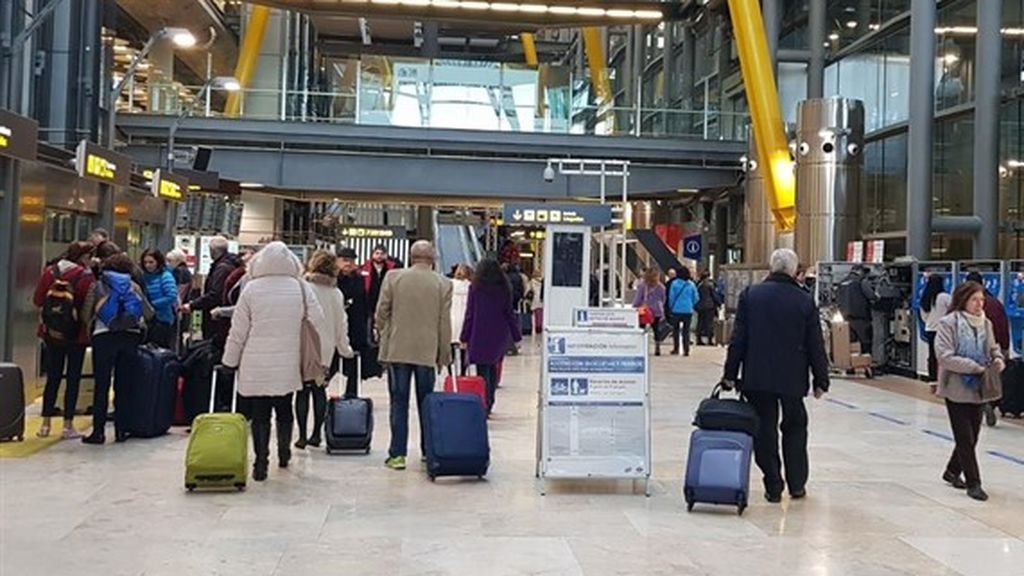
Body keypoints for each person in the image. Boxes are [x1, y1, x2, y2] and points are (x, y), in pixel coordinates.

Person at [722, 248, 830, 503]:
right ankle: (797, 484)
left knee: (764, 429)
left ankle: (773, 483)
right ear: (794, 271)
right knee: (795, 426)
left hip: (757, 376)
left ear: (771, 268)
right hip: (792, 377)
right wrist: (821, 379)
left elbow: (738, 339)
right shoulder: (804, 300)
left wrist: (729, 373)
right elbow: (816, 343)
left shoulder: (752, 295)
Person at [222, 242, 327, 481]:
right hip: (289, 358)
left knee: (259, 414)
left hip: (255, 361)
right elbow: (317, 319)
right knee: (284, 408)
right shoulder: (301, 287)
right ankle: (284, 453)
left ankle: (260, 462)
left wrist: (230, 361)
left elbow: (238, 331)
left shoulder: (251, 288)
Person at [375, 240, 452, 471]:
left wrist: (383, 330)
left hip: (398, 350)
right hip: (427, 353)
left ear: (411, 257)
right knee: (426, 403)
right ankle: (428, 451)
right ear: (433, 259)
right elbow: (443, 322)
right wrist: (443, 354)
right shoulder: (443, 283)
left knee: (398, 403)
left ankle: (397, 455)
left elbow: (382, 310)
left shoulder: (393, 278)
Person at [934, 281, 1005, 501]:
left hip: (979, 387)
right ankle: (974, 483)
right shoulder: (948, 323)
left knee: (972, 436)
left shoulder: (986, 323)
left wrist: (998, 358)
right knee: (964, 437)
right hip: (956, 387)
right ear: (963, 300)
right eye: (975, 299)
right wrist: (973, 367)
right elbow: (945, 356)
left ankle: (952, 470)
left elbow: (992, 347)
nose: (979, 304)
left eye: (982, 299)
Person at [81, 253, 153, 445]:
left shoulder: (97, 286)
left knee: (101, 385)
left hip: (103, 337)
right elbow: (148, 312)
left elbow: (85, 313)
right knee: (124, 385)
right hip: (130, 337)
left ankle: (98, 432)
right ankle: (121, 430)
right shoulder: (133, 286)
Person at [32, 241, 95, 439]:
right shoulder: (85, 276)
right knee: (73, 378)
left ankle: (45, 424)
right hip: (77, 335)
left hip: (51, 334)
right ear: (84, 257)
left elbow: (38, 300)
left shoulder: (50, 272)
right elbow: (88, 307)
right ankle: (68, 425)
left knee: (53, 377)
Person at [295, 251, 355, 449]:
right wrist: (345, 349)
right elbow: (341, 324)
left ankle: (301, 436)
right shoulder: (336, 294)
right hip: (325, 348)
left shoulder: (303, 288)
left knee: (302, 391)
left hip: (304, 346)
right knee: (320, 390)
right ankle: (316, 435)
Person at [460, 258, 521, 415]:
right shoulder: (504, 287)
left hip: (479, 331)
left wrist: (464, 335)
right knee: (493, 365)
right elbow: (509, 312)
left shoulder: (476, 287)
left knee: (482, 368)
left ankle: (483, 401)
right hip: (498, 332)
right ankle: (490, 399)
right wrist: (516, 334)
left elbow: (470, 313)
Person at [964, 271, 1009, 427]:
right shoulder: (995, 303)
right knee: (994, 379)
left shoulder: (965, 304)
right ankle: (992, 402)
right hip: (994, 346)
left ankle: (980, 404)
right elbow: (1003, 326)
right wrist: (1004, 348)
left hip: (974, 347)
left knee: (974, 378)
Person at [182, 236, 241, 349]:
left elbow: (214, 295)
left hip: (215, 317)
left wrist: (193, 305)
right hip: (223, 317)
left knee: (212, 349)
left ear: (213, 251)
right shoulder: (231, 265)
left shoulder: (221, 269)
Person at [337, 247, 372, 393]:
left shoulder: (358, 279)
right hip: (336, 325)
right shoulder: (333, 279)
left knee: (354, 365)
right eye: (345, 260)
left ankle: (351, 395)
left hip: (355, 326)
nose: (348, 264)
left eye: (351, 261)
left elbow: (363, 301)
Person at [140, 249, 179, 349]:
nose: (148, 265)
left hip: (162, 320)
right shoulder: (143, 276)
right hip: (147, 319)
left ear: (158, 262)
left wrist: (151, 305)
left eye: (151, 262)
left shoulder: (166, 276)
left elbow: (171, 296)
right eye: (145, 262)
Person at [837, 265, 877, 361]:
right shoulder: (861, 281)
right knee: (865, 343)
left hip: (845, 318)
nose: (865, 275)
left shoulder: (842, 282)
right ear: (859, 271)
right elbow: (871, 296)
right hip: (861, 317)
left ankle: (851, 366)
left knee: (851, 344)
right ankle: (866, 365)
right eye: (864, 272)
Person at [920, 275, 952, 383]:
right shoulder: (944, 297)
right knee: (944, 355)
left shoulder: (925, 297)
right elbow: (953, 311)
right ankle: (944, 378)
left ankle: (932, 378)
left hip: (930, 329)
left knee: (932, 355)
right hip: (943, 331)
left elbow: (923, 316)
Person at [633, 267, 667, 356]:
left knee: (641, 328)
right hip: (657, 310)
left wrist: (635, 306)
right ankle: (657, 346)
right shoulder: (661, 287)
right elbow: (663, 299)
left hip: (645, 310)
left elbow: (638, 298)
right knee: (656, 329)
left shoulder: (642, 286)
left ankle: (640, 346)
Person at [667, 267, 699, 356]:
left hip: (676, 309)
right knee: (686, 330)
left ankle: (676, 348)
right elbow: (696, 297)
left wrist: (671, 306)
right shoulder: (691, 284)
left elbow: (671, 297)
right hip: (688, 310)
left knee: (676, 330)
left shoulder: (674, 283)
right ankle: (686, 350)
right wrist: (691, 304)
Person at [450, 264, 473, 376]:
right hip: (464, 320)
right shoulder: (471, 287)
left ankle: (451, 372)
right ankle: (463, 373)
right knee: (464, 348)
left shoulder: (449, 285)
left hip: (452, 319)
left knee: (451, 348)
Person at [695, 270, 720, 346]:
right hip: (709, 306)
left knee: (700, 322)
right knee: (709, 323)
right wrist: (719, 303)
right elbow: (714, 296)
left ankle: (699, 339)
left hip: (700, 307)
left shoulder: (699, 285)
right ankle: (709, 339)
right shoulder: (710, 285)